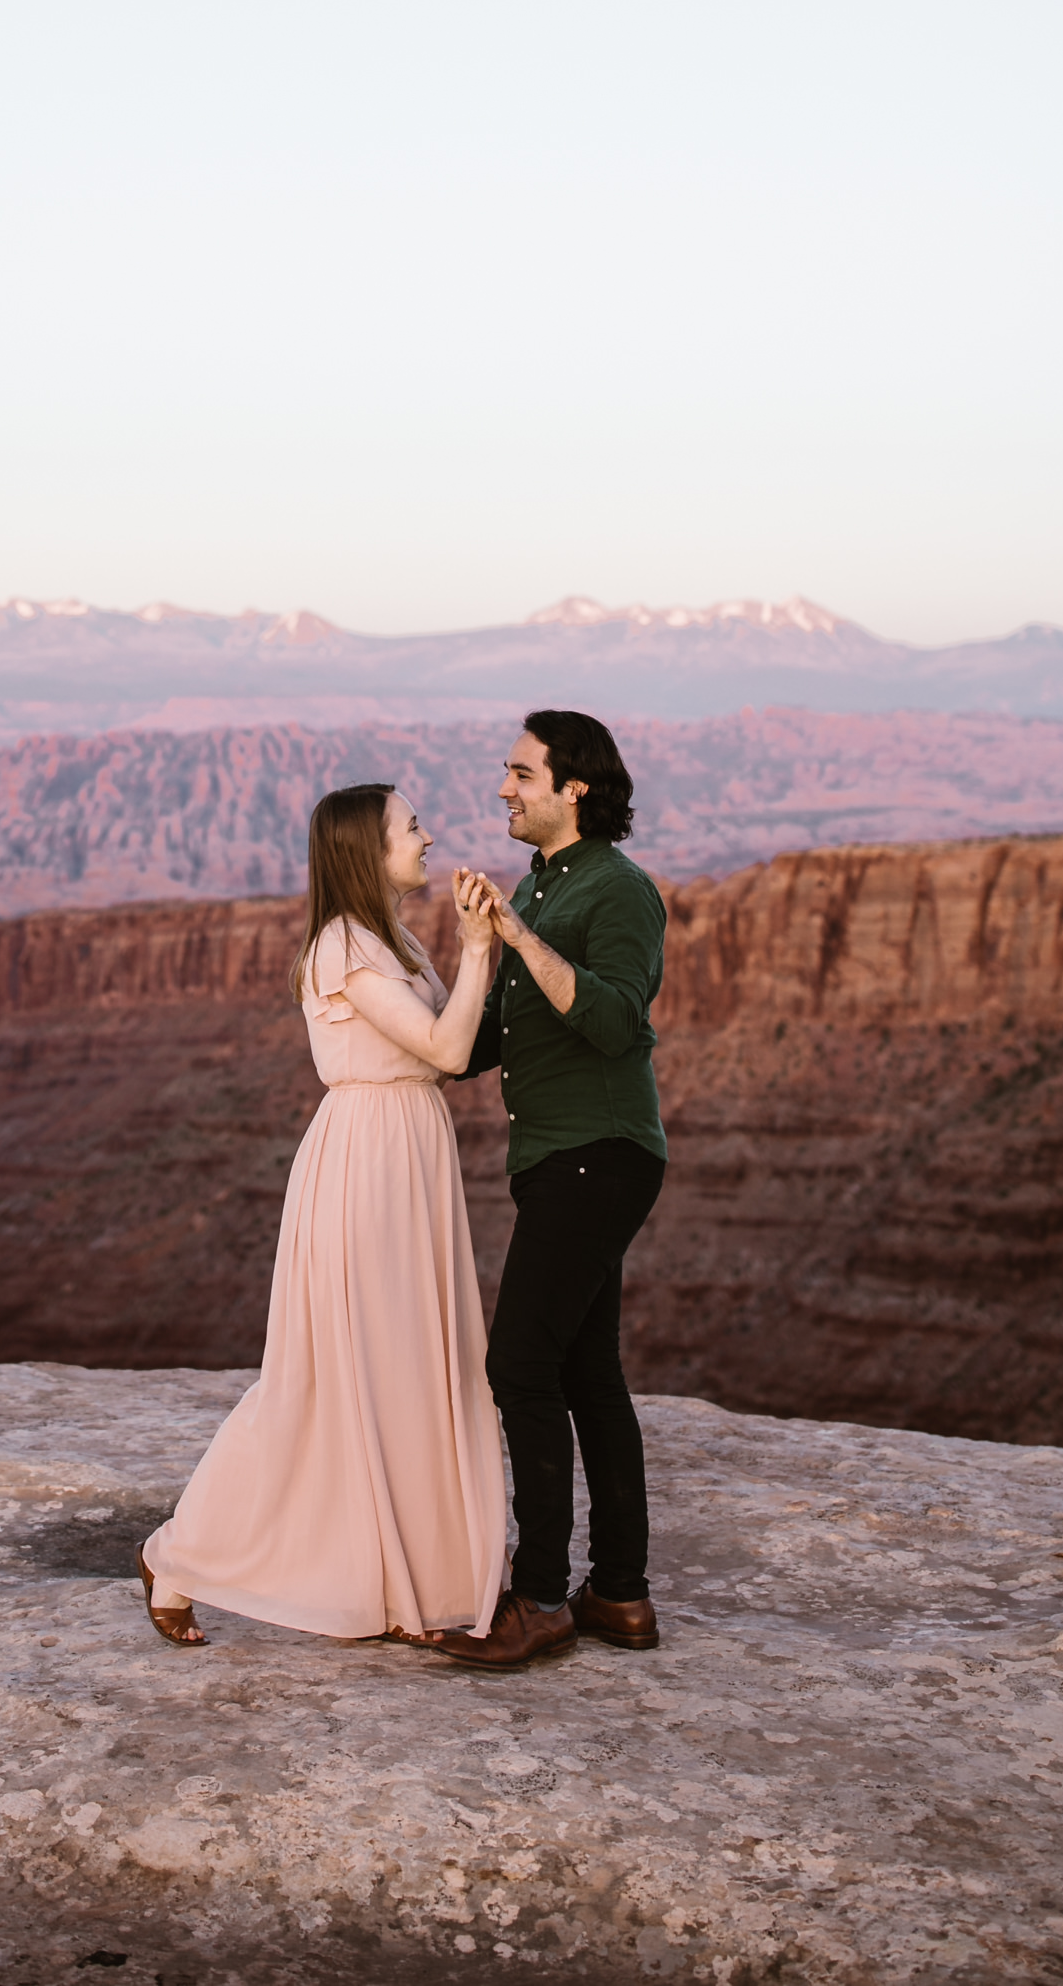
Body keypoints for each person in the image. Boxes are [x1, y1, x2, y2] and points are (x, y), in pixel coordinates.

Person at [136, 783, 507, 1650]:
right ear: (364, 851)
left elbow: (452, 1045)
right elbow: (449, 1048)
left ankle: (408, 1590)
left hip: (409, 1150)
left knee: (409, 1371)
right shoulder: (344, 949)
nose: (426, 838)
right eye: (410, 827)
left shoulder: (394, 937)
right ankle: (179, 1556)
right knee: (329, 1379)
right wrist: (481, 945)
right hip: (368, 1162)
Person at [435, 710, 668, 1671]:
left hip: (598, 1153)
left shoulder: (617, 891)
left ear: (574, 787)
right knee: (585, 1374)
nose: (503, 788)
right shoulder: (539, 882)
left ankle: (538, 1597)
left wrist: (522, 938)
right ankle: (617, 1595)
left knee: (519, 1367)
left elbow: (615, 1021)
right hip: (560, 1160)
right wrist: (456, 959)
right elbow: (478, 1048)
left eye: (520, 772)